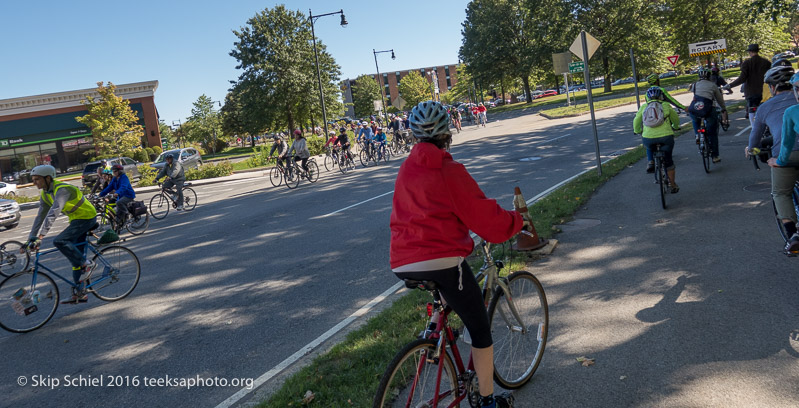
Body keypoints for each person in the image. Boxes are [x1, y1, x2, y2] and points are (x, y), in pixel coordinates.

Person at [390, 101, 522, 408]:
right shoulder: (448, 170)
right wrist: (514, 222)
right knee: (479, 328)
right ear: (446, 132)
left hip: (402, 259)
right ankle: (487, 400)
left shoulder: (406, 169)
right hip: (441, 259)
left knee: (450, 301)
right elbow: (484, 216)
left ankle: (435, 336)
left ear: (413, 136)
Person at [25, 165, 98, 303]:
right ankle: (80, 293)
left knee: (59, 241)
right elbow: (40, 216)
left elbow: (54, 212)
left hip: (86, 217)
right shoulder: (45, 193)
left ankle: (87, 264)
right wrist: (31, 238)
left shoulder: (62, 190)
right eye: (33, 180)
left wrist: (41, 236)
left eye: (37, 179)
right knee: (75, 260)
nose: (34, 183)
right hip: (76, 220)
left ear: (48, 178)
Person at [766, 72, 799, 252]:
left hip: (791, 157)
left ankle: (793, 234)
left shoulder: (792, 112)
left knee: (780, 192)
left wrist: (779, 161)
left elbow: (786, 144)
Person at [634, 87, 682, 193]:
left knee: (649, 146)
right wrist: (676, 126)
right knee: (668, 160)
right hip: (666, 137)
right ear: (661, 96)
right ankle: (672, 184)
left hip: (648, 137)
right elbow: (675, 119)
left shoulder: (643, 107)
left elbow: (636, 120)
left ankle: (651, 161)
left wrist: (637, 131)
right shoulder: (666, 105)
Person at [644, 74, 687, 172]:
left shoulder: (647, 92)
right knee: (668, 123)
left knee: (648, 140)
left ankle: (651, 161)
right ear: (657, 81)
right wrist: (683, 108)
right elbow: (671, 100)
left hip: (651, 118)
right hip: (662, 116)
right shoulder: (661, 90)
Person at [724, 44, 772, 126]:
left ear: (750, 52)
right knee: (766, 109)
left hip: (751, 92)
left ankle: (754, 129)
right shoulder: (766, 62)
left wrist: (730, 85)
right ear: (758, 51)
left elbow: (742, 78)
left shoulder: (747, 63)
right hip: (764, 92)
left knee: (752, 111)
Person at [688, 67, 727, 163]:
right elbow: (719, 99)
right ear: (709, 76)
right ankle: (715, 156)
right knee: (712, 133)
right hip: (709, 109)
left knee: (694, 118)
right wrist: (723, 108)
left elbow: (693, 93)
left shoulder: (695, 85)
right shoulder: (713, 85)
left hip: (697, 108)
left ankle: (697, 135)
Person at [99, 164, 136, 230]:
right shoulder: (114, 179)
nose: (114, 173)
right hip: (121, 196)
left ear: (120, 171)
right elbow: (109, 187)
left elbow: (123, 187)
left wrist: (116, 193)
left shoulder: (124, 177)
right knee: (117, 212)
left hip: (128, 195)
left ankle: (127, 215)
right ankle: (118, 226)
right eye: (113, 171)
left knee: (119, 203)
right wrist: (101, 194)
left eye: (115, 171)